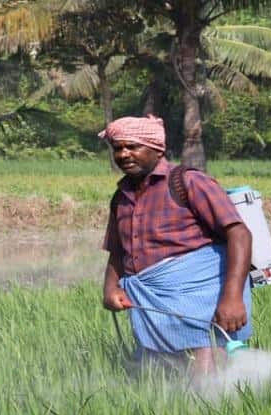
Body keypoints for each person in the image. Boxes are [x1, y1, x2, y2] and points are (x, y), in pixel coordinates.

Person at [99, 115, 253, 377]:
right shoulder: (121, 196)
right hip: (152, 304)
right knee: (160, 375)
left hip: (201, 297)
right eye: (117, 148)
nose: (123, 154)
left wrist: (232, 297)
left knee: (207, 375)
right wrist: (110, 288)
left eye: (132, 147)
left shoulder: (189, 182)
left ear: (156, 149)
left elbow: (239, 234)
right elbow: (119, 249)